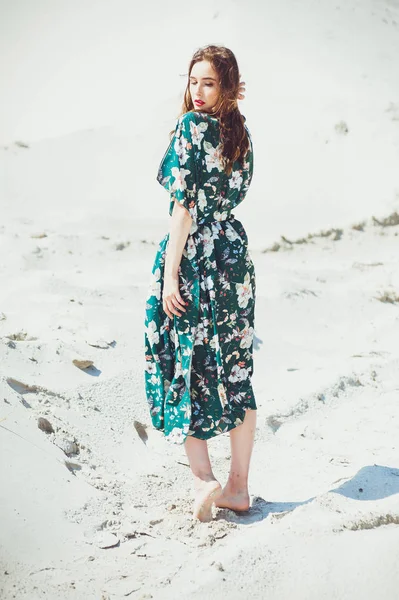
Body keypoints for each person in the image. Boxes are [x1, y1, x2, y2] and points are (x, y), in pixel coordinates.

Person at [144, 44, 257, 522]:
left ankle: (202, 478)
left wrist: (170, 275)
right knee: (235, 370)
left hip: (194, 258)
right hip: (233, 257)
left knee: (180, 361)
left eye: (209, 82)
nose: (198, 92)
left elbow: (184, 209)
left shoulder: (191, 129)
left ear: (227, 87)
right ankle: (238, 488)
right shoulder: (240, 130)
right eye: (193, 81)